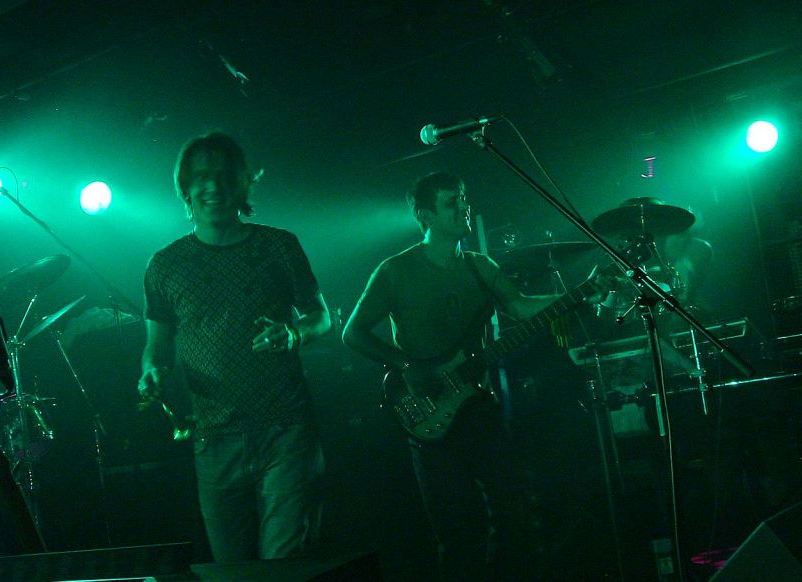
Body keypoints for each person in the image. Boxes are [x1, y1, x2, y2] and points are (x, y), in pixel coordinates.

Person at [342, 172, 598, 581]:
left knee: (516, 514)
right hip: (431, 413)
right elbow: (353, 333)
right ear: (425, 215)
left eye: (463, 199)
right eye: (451, 202)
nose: (463, 207)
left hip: (481, 409)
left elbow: (520, 307)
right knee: (458, 532)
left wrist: (582, 291)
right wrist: (407, 366)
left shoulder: (481, 266)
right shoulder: (395, 270)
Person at [138, 132, 331, 563]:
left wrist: (295, 333)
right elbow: (157, 346)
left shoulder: (279, 245)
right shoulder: (165, 265)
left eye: (225, 176)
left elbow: (322, 316)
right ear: (185, 188)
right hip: (213, 438)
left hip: (285, 432)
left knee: (284, 565)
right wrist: (151, 371)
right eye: (201, 177)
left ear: (243, 183)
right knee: (232, 569)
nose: (213, 185)